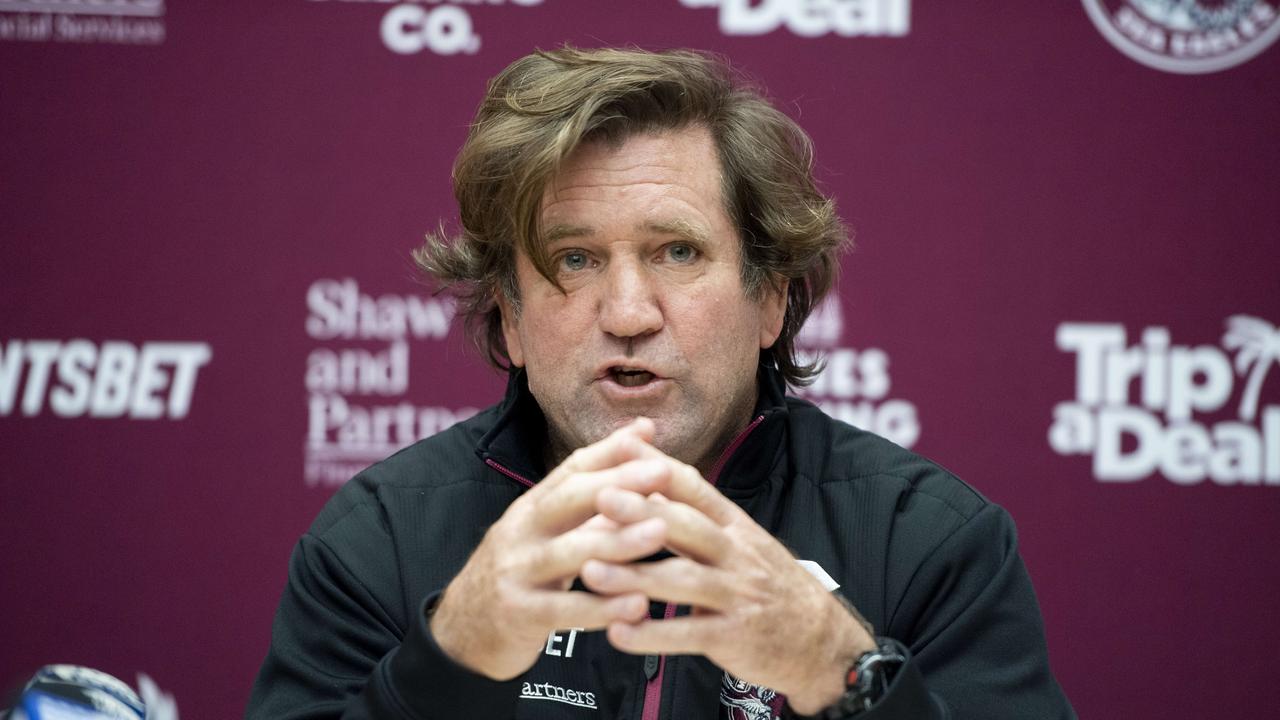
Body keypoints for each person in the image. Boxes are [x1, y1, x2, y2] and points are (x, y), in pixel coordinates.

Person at [247, 46, 1075, 719]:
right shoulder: (378, 542)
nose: (630, 313)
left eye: (677, 252)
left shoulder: (928, 543)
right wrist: (444, 662)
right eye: (574, 259)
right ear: (509, 319)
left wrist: (843, 672)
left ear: (771, 301)